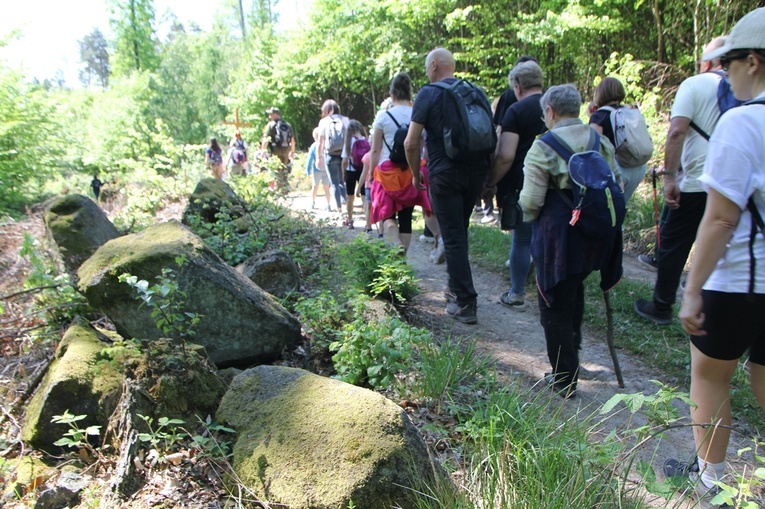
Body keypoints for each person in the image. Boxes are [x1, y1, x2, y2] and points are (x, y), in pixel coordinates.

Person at [665, 8, 765, 507]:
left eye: (728, 65)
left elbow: (722, 219)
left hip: (740, 279)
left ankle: (711, 479)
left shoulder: (743, 123)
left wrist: (693, 286)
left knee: (710, 375)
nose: (724, 76)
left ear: (753, 61)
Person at [519, 84, 623, 398]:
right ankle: (572, 357)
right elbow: (616, 181)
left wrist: (522, 213)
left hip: (560, 240)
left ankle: (564, 379)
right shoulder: (599, 140)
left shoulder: (543, 146)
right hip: (596, 236)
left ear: (550, 111)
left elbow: (532, 202)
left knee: (553, 303)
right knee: (573, 287)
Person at [633, 36, 728, 326]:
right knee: (722, 245)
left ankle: (661, 306)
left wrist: (669, 176)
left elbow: (676, 132)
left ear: (708, 61)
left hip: (696, 181)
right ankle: (714, 309)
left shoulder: (695, 85)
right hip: (731, 185)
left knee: (674, 244)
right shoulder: (748, 89)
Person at [404, 48, 491, 324]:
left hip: (444, 173)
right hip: (475, 173)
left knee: (452, 236)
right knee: (458, 232)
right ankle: (455, 290)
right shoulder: (475, 91)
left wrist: (416, 173)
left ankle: (466, 303)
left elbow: (410, 142)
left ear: (433, 65)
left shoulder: (428, 93)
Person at [485, 60, 546, 312]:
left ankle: (517, 293)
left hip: (523, 183)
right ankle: (548, 293)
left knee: (522, 239)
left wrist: (491, 182)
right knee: (546, 237)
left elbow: (506, 156)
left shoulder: (517, 111)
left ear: (517, 86)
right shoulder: (557, 105)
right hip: (556, 183)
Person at [370, 73, 441, 255]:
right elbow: (424, 146)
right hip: (412, 169)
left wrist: (371, 173)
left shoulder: (383, 117)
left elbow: (376, 150)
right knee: (406, 216)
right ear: (410, 94)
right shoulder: (417, 114)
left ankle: (397, 244)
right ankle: (402, 260)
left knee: (387, 214)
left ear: (392, 94)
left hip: (387, 173)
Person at [589, 77, 647, 203]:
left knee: (610, 212)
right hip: (638, 167)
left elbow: (593, 147)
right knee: (621, 207)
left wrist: (592, 118)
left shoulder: (600, 116)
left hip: (618, 169)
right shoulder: (628, 111)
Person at [317, 100, 349, 214]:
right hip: (344, 154)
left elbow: (320, 142)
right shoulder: (345, 120)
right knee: (342, 181)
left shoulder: (324, 121)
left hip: (329, 154)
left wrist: (318, 157)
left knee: (334, 182)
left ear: (327, 110)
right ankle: (346, 203)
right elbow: (350, 139)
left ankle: (339, 208)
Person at [341, 120, 369, 228]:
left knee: (350, 196)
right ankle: (368, 222)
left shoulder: (349, 142)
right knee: (364, 196)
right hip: (363, 171)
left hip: (350, 171)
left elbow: (344, 161)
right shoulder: (366, 140)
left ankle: (350, 219)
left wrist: (344, 174)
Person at [261, 107, 295, 193]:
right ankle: (285, 188)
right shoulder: (287, 124)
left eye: (271, 114)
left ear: (276, 114)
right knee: (284, 168)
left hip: (275, 150)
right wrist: (292, 151)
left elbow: (266, 138)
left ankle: (279, 189)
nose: (269, 116)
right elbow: (292, 139)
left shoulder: (271, 125)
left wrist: (263, 150)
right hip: (286, 150)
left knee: (276, 169)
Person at [306, 127, 331, 211]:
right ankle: (328, 204)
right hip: (327, 169)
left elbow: (310, 158)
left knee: (315, 186)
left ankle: (312, 203)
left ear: (314, 136)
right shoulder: (327, 144)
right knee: (326, 187)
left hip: (317, 169)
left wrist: (308, 170)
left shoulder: (314, 145)